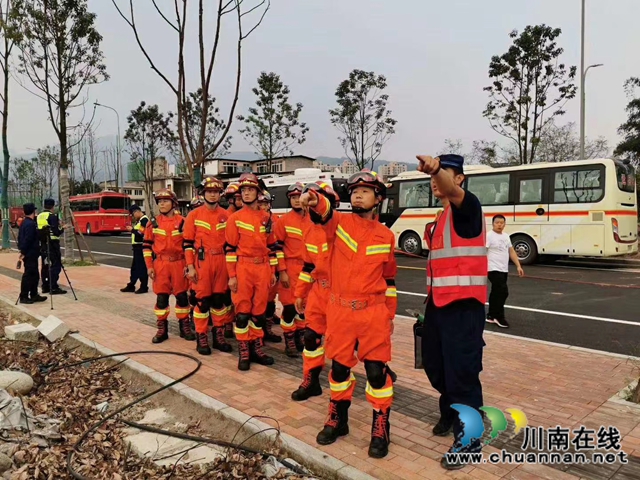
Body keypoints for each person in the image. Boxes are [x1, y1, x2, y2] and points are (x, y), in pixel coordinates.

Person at [300, 170, 397, 459]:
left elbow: (389, 278)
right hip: (340, 310)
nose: (358, 194)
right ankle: (338, 419)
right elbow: (324, 212)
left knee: (377, 374)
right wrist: (313, 198)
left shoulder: (387, 236)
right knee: (339, 370)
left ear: (378, 198)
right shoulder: (339, 224)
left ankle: (380, 427)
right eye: (355, 190)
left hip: (373, 313)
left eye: (366, 191)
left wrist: (389, 314)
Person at [416, 154, 487, 470]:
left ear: (459, 179)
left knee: (462, 374)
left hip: (464, 309)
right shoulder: (441, 217)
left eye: (444, 174)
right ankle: (449, 410)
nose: (436, 180)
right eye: (434, 175)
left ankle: (469, 439)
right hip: (438, 306)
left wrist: (435, 169)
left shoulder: (467, 209)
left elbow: (452, 191)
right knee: (435, 365)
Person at [225, 173, 283, 371]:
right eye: (244, 190)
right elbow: (230, 249)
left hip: (263, 268)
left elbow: (272, 246)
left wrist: (273, 270)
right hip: (243, 268)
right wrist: (232, 276)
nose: (247, 193)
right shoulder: (234, 219)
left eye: (251, 190)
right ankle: (244, 351)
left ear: (258, 193)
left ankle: (256, 349)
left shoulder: (267, 218)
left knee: (259, 313)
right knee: (242, 314)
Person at [291, 181, 340, 402]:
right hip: (318, 293)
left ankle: (378, 371)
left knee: (344, 345)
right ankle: (311, 381)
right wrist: (300, 294)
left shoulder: (341, 227)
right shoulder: (308, 230)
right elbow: (308, 266)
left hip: (340, 294)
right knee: (310, 337)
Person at [183, 176, 234, 355]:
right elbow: (188, 244)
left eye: (216, 192)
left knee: (219, 301)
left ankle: (218, 336)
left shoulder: (227, 215)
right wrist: (190, 266)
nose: (213, 195)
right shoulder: (194, 215)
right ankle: (202, 337)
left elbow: (232, 245)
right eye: (209, 192)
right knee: (202, 302)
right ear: (203, 193)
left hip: (221, 261)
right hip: (202, 262)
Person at [142, 189, 196, 344]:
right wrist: (149, 266)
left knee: (182, 297)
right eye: (159, 201)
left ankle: (184, 327)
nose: (162, 204)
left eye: (165, 201)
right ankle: (162, 329)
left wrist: (189, 265)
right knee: (161, 298)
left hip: (179, 264)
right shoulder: (153, 223)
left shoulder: (183, 222)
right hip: (161, 264)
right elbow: (146, 246)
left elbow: (188, 245)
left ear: (173, 203)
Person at [274, 182, 310, 357]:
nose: (297, 200)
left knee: (304, 307)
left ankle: (299, 337)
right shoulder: (284, 221)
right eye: (293, 197)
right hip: (290, 268)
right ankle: (289, 341)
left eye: (299, 196)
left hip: (308, 270)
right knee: (289, 307)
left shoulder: (312, 219)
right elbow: (277, 248)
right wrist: (282, 271)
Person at [486, 214, 524, 328]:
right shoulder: (489, 236)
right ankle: (499, 316)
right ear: (493, 223)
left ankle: (491, 315)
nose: (499, 225)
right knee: (503, 291)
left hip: (503, 268)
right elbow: (483, 251)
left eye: (502, 223)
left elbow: (511, 251)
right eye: (497, 222)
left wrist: (518, 266)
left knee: (496, 292)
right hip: (492, 268)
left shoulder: (506, 236)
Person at [258, 191, 283, 343]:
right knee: (259, 300)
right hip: (258, 265)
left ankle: (267, 329)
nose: (263, 206)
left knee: (270, 299)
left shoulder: (276, 221)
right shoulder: (255, 219)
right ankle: (258, 331)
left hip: (273, 264)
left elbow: (278, 245)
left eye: (266, 203)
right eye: (261, 203)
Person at [18, 203, 47, 304]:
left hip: (30, 253)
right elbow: (28, 239)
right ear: (33, 212)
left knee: (34, 275)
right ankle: (24, 296)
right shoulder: (30, 224)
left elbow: (21, 238)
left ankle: (34, 294)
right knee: (29, 275)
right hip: (30, 253)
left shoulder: (24, 223)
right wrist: (23, 252)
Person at [37, 198, 66, 295]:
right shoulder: (52, 216)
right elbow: (56, 232)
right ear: (53, 206)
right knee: (56, 265)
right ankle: (53, 286)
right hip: (53, 244)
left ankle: (45, 286)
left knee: (45, 265)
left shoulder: (39, 216)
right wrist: (62, 228)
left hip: (43, 244)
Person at [121, 205, 150, 294]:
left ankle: (144, 286)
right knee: (134, 268)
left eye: (133, 214)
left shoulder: (144, 220)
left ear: (137, 211)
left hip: (141, 247)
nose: (133, 216)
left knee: (141, 268)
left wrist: (131, 230)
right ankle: (131, 285)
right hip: (136, 247)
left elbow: (141, 233)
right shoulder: (140, 221)